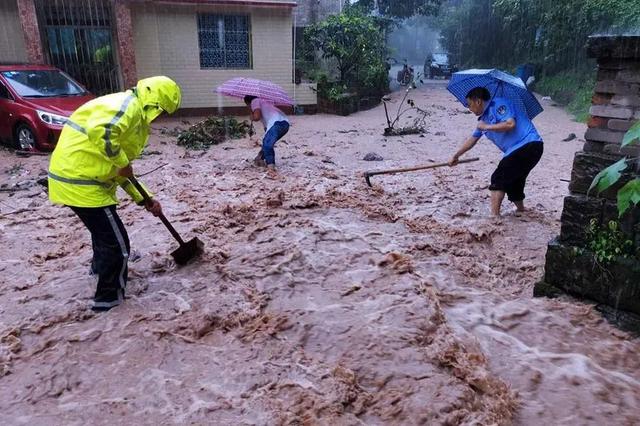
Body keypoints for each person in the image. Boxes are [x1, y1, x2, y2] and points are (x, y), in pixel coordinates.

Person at [48, 76, 181, 311]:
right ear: (154, 103)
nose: (160, 119)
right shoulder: (127, 106)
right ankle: (108, 302)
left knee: (104, 237)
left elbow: (122, 173)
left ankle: (98, 271)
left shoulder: (132, 118)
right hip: (82, 183)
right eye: (162, 112)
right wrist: (121, 162)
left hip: (83, 181)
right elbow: (103, 132)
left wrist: (146, 199)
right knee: (119, 247)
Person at [449, 87, 543, 216]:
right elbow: (472, 140)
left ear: (478, 101)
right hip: (524, 149)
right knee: (515, 181)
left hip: (528, 144)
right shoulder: (483, 119)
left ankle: (494, 218)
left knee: (498, 178)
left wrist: (486, 127)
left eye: (469, 104)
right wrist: (456, 156)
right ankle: (521, 211)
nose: (469, 109)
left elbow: (510, 124)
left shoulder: (499, 104)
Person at [244, 95, 290, 174]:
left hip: (276, 124)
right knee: (267, 142)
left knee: (267, 144)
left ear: (248, 102)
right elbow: (267, 129)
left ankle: (271, 168)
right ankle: (260, 157)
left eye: (247, 105)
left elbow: (257, 117)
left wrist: (252, 117)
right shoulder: (265, 102)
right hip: (285, 124)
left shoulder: (255, 101)